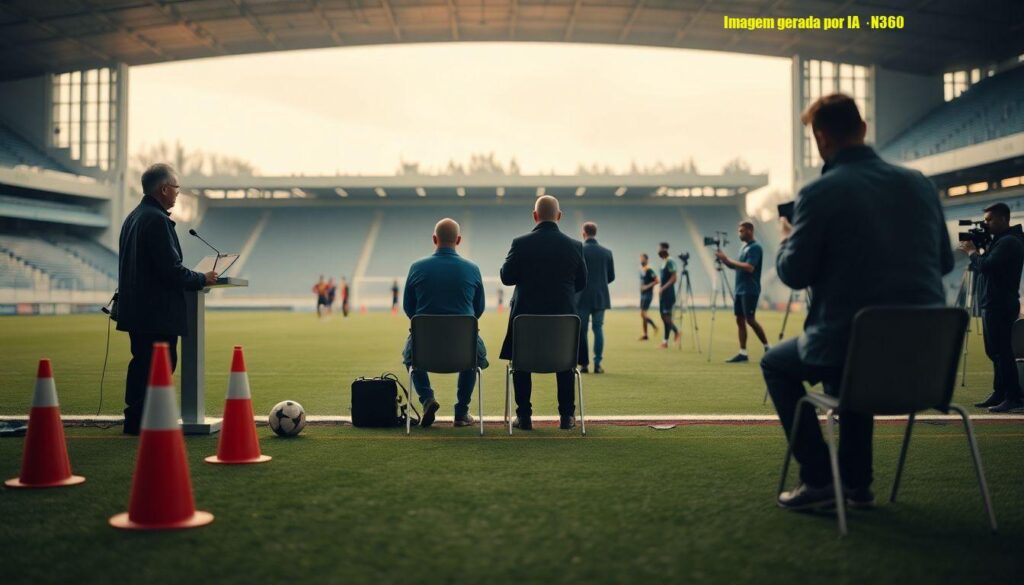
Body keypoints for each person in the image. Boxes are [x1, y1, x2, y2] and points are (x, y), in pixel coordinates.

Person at [762, 93, 953, 511]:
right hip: (927, 358)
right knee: (856, 352)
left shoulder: (820, 194)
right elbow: (943, 262)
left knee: (780, 362)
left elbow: (794, 274)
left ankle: (819, 478)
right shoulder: (921, 184)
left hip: (855, 347)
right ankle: (856, 484)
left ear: (821, 138)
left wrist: (787, 239)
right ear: (863, 129)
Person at [116, 163, 217, 435]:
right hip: (156, 313)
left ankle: (136, 419)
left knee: (141, 364)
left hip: (137, 310)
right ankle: (144, 421)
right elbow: (170, 270)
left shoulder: (134, 217)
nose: (177, 193)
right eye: (176, 188)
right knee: (158, 365)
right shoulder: (157, 220)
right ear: (164, 189)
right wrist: (201, 278)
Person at [500, 195, 587, 430]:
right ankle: (567, 417)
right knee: (566, 362)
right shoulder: (575, 246)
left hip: (525, 323)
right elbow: (581, 283)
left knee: (520, 363)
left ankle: (524, 417)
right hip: (564, 323)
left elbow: (506, 277)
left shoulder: (520, 243)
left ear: (534, 216)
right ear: (559, 216)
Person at [402, 218, 488, 428]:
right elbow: (478, 310)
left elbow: (409, 309)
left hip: (425, 349)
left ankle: (427, 399)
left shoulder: (416, 268)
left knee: (410, 355)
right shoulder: (473, 269)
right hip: (462, 350)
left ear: (434, 239)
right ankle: (461, 412)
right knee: (473, 350)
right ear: (458, 240)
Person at [959, 202, 1024, 413]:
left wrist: (971, 252)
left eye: (989, 220)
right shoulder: (999, 241)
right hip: (993, 303)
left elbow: (986, 266)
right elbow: (986, 266)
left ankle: (1014, 397)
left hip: (1001, 304)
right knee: (994, 352)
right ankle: (1000, 393)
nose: (985, 224)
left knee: (1003, 351)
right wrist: (981, 250)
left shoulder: (1009, 242)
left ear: (1004, 219)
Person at [715, 221, 770, 363]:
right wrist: (724, 259)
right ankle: (743, 353)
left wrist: (727, 259)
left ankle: (768, 347)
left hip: (750, 289)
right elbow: (735, 266)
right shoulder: (743, 248)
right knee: (739, 320)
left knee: (750, 320)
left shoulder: (755, 247)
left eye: (742, 231)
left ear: (750, 231)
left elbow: (750, 267)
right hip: (739, 289)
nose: (739, 233)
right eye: (739, 231)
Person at [576, 222, 615, 373]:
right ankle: (597, 363)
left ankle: (584, 364)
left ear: (584, 233)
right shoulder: (607, 252)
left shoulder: (579, 250)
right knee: (598, 328)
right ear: (595, 233)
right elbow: (611, 277)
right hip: (600, 297)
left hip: (582, 297)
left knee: (582, 330)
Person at [656, 242, 680, 348]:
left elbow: (674, 278)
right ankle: (665, 341)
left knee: (666, 316)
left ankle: (676, 331)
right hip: (663, 294)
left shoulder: (670, 261)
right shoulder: (664, 262)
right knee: (663, 316)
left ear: (665, 249)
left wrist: (663, 288)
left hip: (668, 293)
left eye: (660, 248)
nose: (658, 251)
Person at [638, 253, 659, 340]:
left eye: (642, 259)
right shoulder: (642, 270)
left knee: (643, 314)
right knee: (643, 314)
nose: (641, 260)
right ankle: (645, 335)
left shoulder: (649, 270)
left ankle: (654, 326)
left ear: (646, 260)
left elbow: (657, 280)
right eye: (640, 258)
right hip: (642, 294)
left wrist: (647, 287)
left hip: (648, 294)